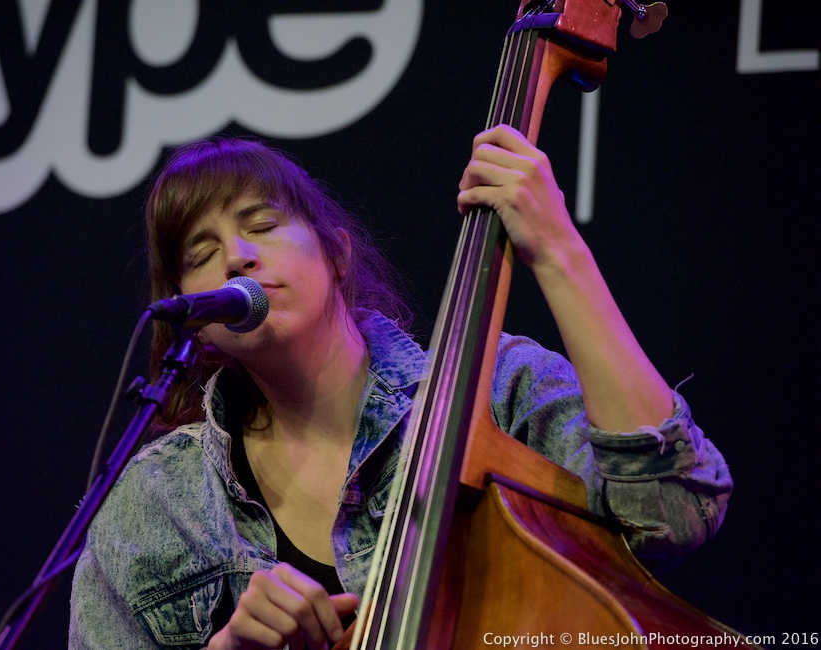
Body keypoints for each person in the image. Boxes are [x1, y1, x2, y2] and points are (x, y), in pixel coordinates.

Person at [68, 127, 732, 649]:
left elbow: (672, 511)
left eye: (262, 224)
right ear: (196, 315)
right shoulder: (150, 504)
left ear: (337, 254)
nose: (237, 255)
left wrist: (558, 250)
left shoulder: (497, 387)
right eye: (200, 253)